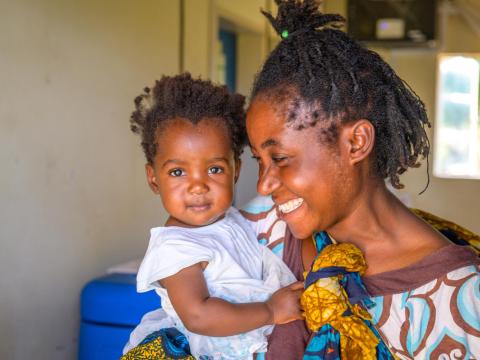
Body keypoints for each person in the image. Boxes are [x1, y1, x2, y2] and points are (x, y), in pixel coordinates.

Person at [243, 0, 480, 359]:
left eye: (279, 158)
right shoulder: (263, 232)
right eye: (259, 160)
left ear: (356, 143)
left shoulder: (460, 299)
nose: (263, 184)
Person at [121, 73, 303, 360]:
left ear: (236, 170)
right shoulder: (175, 247)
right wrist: (270, 311)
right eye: (178, 172)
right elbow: (198, 314)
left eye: (215, 169)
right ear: (154, 179)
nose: (198, 186)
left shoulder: (233, 220)